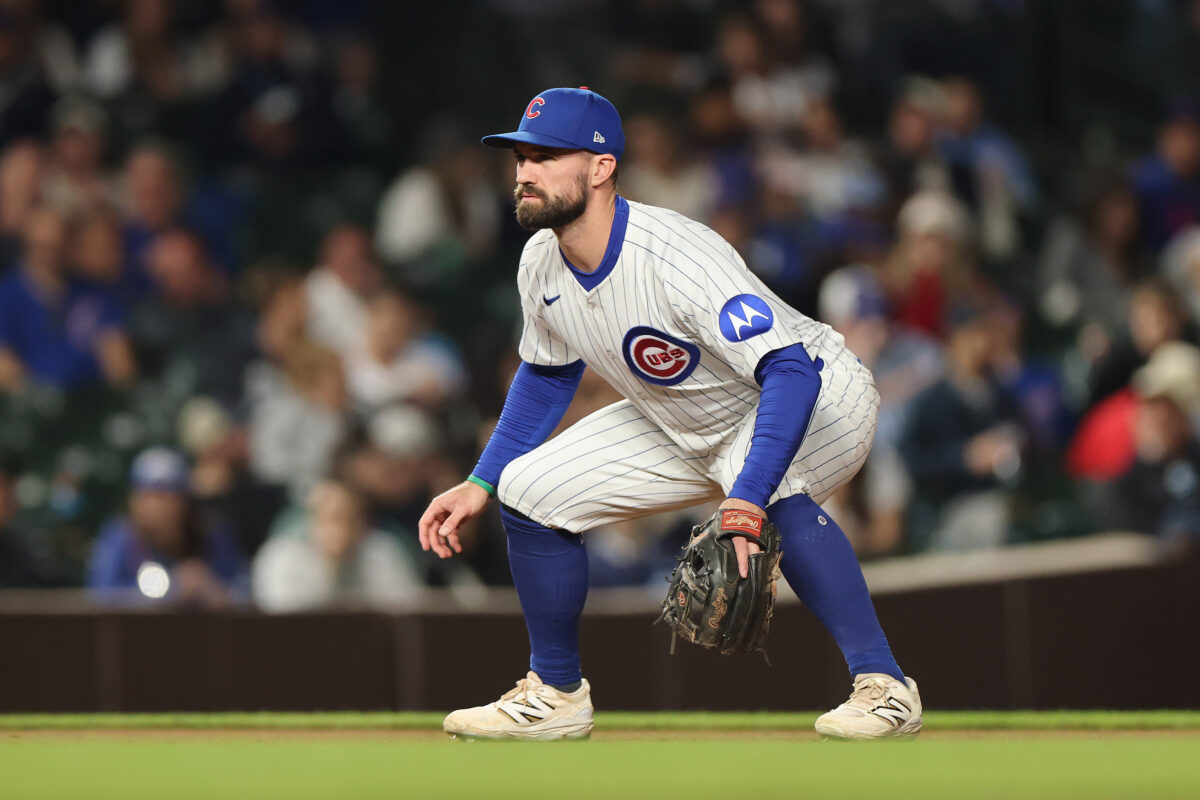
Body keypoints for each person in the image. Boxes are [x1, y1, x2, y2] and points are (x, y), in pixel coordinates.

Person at [419, 88, 921, 741]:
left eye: (545, 157)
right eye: (521, 158)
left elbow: (789, 370)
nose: (524, 172)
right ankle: (555, 695)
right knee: (526, 490)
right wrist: (481, 480)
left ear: (601, 167)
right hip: (684, 417)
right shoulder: (540, 260)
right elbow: (546, 376)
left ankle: (885, 687)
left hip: (818, 390)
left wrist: (746, 497)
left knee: (770, 491)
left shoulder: (675, 255)